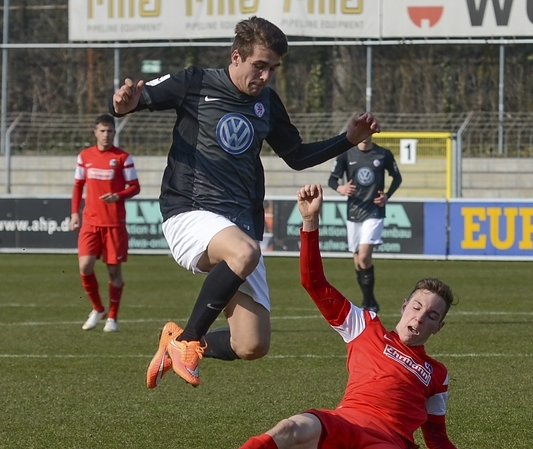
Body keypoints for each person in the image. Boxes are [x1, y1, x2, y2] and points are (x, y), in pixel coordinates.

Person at [176, 183, 529, 449]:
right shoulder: (365, 326)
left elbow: (437, 441)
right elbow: (314, 283)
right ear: (404, 307)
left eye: (432, 316)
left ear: (439, 327)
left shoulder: (437, 374)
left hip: (384, 447)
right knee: (288, 429)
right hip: (341, 426)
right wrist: (310, 223)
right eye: (417, 307)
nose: (421, 318)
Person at [109, 17, 379, 388]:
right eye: (259, 65)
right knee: (244, 252)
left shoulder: (267, 102)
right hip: (189, 211)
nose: (266, 76)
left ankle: (177, 339)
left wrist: (347, 139)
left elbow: (296, 156)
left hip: (239, 225)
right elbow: (133, 100)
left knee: (252, 344)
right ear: (236, 57)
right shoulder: (195, 82)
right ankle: (188, 341)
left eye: (273, 69)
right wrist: (122, 105)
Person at [71, 113, 141, 332]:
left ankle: (112, 317)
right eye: (102, 131)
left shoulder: (123, 158)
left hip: (113, 223)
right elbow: (78, 186)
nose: (106, 135)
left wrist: (118, 195)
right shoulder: (85, 156)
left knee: (114, 273)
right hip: (90, 222)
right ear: (95, 132)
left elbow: (135, 187)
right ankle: (98, 308)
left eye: (110, 131)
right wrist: (74, 214)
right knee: (85, 266)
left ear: (114, 132)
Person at [328, 134, 402, 313]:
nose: (364, 135)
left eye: (367, 131)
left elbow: (397, 177)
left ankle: (370, 300)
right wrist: (341, 188)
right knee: (357, 260)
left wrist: (387, 195)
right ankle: (367, 301)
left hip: (374, 212)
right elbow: (332, 180)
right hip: (353, 212)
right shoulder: (346, 154)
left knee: (363, 257)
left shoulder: (383, 154)